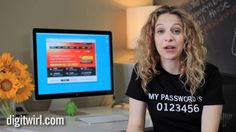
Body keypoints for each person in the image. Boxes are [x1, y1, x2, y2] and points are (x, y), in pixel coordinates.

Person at [126, 5, 224, 132]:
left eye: (176, 31)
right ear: (152, 37)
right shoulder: (143, 71)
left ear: (187, 37)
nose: (169, 38)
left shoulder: (209, 74)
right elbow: (135, 126)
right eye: (161, 31)